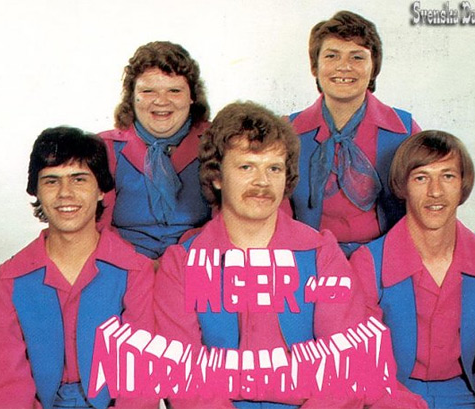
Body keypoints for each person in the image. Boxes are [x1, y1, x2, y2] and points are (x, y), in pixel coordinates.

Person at [154, 102, 372, 408]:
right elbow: (184, 378)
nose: (262, 182)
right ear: (217, 176)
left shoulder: (322, 254)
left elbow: (344, 369)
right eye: (246, 167)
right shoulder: (181, 263)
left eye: (274, 168)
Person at [350, 130, 475, 409]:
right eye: (421, 178)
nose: (435, 191)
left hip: (467, 395)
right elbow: (364, 366)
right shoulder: (367, 263)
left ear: (462, 184)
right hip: (391, 395)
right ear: (403, 186)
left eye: (447, 176)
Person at [0, 127, 156, 409]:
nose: (65, 193)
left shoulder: (135, 272)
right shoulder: (10, 279)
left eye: (79, 179)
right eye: (51, 181)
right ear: (36, 191)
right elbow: (3, 386)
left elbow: (140, 385)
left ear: (101, 190)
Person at [288, 11, 421, 256]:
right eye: (332, 56)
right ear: (315, 67)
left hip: (385, 258)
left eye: (357, 57)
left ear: (373, 68)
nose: (344, 66)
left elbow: (423, 208)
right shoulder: (288, 132)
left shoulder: (404, 130)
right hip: (309, 257)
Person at [100, 41, 212, 259]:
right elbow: (95, 229)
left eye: (174, 90)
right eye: (148, 91)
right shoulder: (106, 148)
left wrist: (174, 265)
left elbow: (228, 223)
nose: (161, 101)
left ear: (192, 96)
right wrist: (139, 267)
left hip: (196, 262)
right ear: (132, 96)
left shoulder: (216, 141)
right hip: (125, 265)